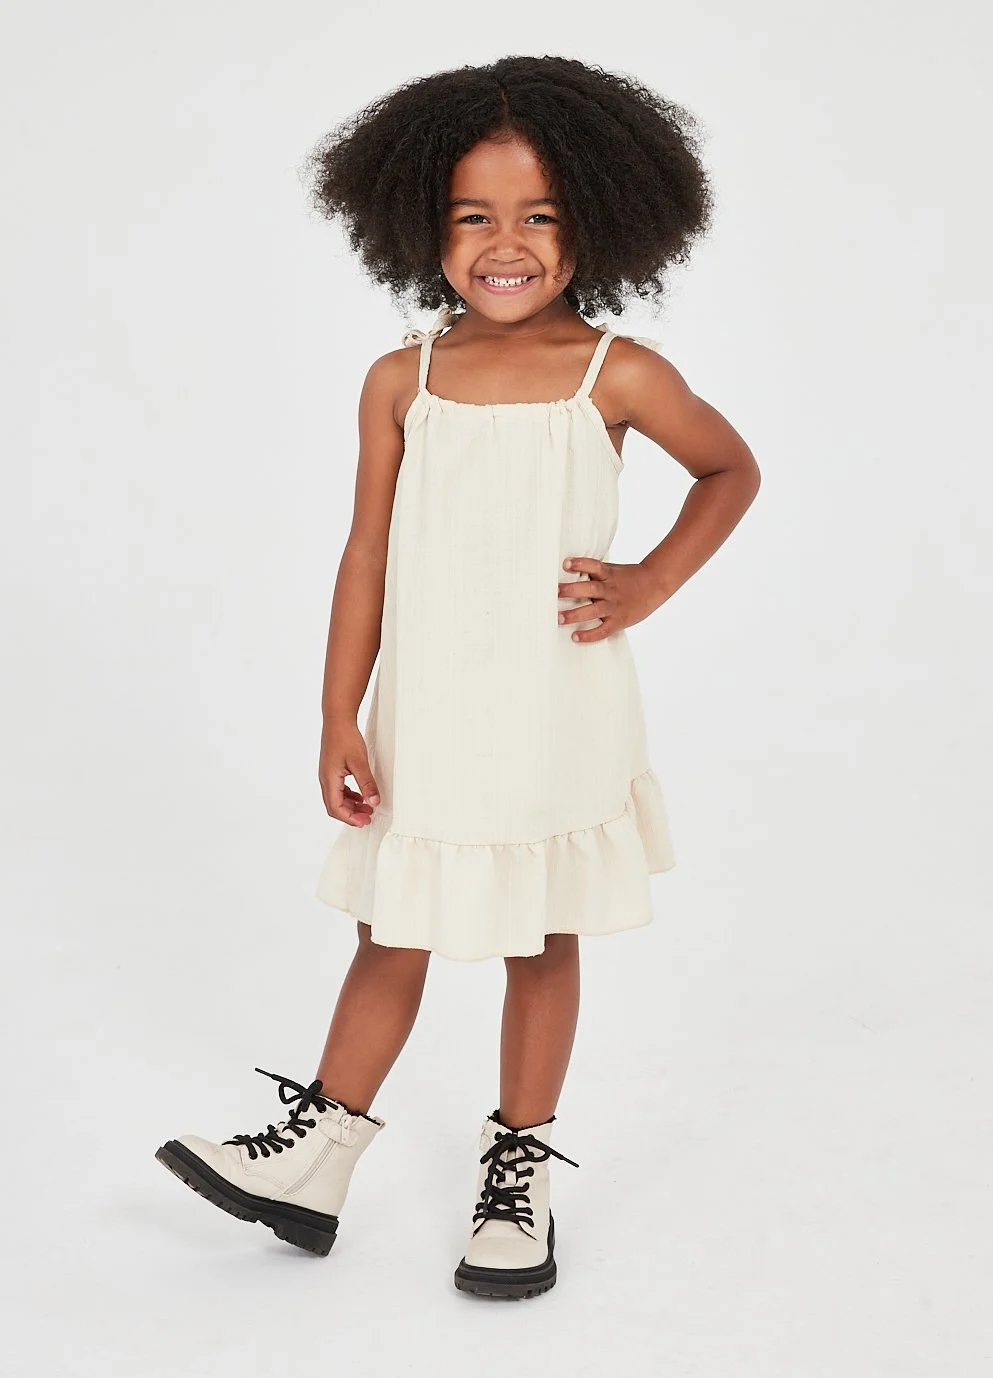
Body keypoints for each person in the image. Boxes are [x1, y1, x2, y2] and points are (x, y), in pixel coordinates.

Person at [155, 54, 760, 1300]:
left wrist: (646, 582)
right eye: (472, 217)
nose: (506, 243)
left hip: (558, 713)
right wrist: (338, 710)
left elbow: (731, 471)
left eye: (540, 215)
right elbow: (367, 550)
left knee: (540, 937)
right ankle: (318, 1154)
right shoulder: (402, 380)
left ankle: (520, 1171)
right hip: (427, 710)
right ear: (421, 230)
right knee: (393, 929)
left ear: (597, 219)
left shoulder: (619, 375)